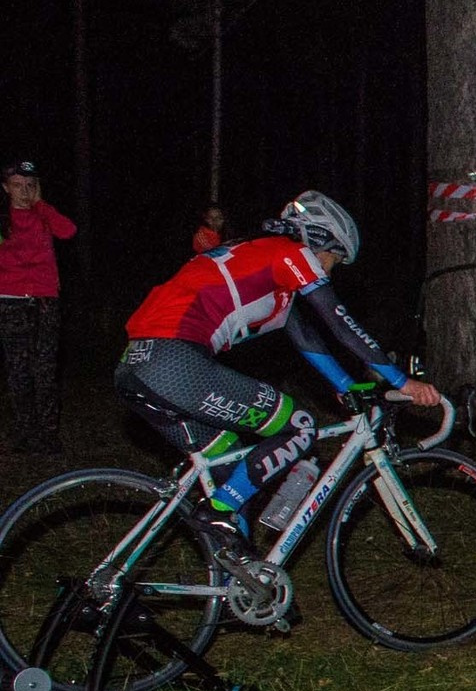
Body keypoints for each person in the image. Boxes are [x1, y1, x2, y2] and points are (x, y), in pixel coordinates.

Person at [119, 191, 440, 543]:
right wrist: (400, 380)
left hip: (136, 367)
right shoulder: (293, 253)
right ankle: (219, 509)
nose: (329, 271)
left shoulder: (259, 261)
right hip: (175, 364)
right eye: (334, 259)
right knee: (300, 427)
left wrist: (347, 386)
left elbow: (307, 340)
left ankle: (238, 584)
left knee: (229, 466)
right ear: (318, 240)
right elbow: (339, 323)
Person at [0, 159, 77, 455]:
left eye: (30, 185)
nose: (23, 191)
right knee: (18, 369)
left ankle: (47, 434)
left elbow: (68, 231)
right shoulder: (3, 218)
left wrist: (41, 204)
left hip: (45, 300)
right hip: (10, 301)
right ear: (6, 188)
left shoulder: (43, 214)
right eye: (17, 185)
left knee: (44, 369)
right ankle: (23, 431)